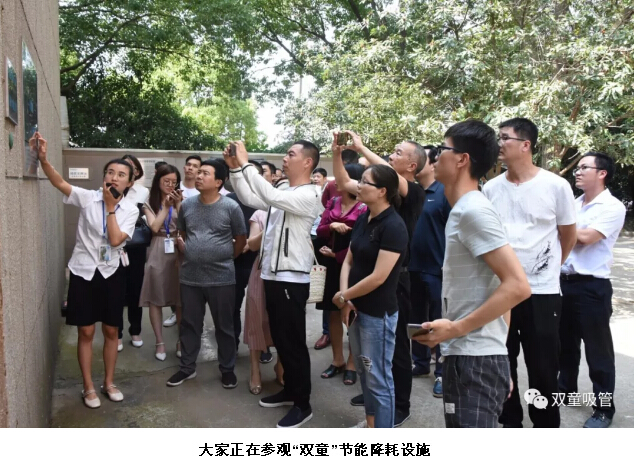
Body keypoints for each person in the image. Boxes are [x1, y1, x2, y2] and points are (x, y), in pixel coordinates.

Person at [414, 119, 531, 428]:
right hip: (473, 357)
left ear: (462, 159)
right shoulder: (464, 210)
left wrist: (456, 329)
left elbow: (518, 286)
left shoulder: (473, 211)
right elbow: (501, 286)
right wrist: (499, 356)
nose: (435, 156)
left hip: (474, 360)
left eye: (441, 149)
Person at [483, 118, 577, 428]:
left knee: (544, 368)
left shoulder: (556, 185)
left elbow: (568, 235)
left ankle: (546, 428)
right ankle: (510, 423)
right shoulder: (491, 188)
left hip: (542, 293)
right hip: (502, 291)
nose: (499, 143)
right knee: (502, 361)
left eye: (505, 138)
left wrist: (549, 268)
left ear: (526, 145)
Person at [34, 132, 138, 408]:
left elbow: (114, 240)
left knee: (112, 331)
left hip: (112, 272)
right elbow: (59, 182)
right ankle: (88, 387)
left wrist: (111, 208)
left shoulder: (130, 210)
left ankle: (109, 383)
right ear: (103, 176)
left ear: (130, 182)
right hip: (83, 272)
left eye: (121, 175)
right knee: (86, 332)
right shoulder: (87, 198)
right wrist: (43, 160)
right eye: (110, 172)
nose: (114, 177)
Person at [334, 130, 426, 427]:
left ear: (412, 165)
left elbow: (378, 276)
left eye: (398, 152)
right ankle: (375, 413)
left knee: (392, 354)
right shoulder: (367, 214)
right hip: (363, 292)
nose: (390, 155)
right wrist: (337, 153)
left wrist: (361, 147)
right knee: (369, 364)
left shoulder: (412, 194)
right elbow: (344, 183)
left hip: (392, 284)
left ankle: (398, 407)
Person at [227, 140, 322, 428]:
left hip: (291, 278)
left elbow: (267, 193)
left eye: (291, 154)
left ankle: (303, 404)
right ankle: (291, 390)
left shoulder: (310, 193)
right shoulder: (283, 190)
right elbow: (251, 197)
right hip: (271, 275)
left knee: (293, 343)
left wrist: (246, 163)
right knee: (281, 339)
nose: (285, 158)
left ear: (307, 162)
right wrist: (235, 170)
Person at [166, 160, 247, 389]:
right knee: (189, 324)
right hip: (190, 276)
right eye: (198, 172)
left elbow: (240, 239)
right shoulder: (187, 205)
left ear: (219, 181)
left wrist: (225, 258)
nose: (199, 176)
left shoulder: (231, 207)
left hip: (221, 277)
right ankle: (187, 367)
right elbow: (182, 232)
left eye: (205, 173)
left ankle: (227, 369)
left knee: (224, 326)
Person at [559, 152, 626, 428]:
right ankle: (566, 391)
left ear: (602, 173)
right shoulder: (574, 204)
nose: (577, 171)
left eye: (584, 167)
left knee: (598, 352)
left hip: (592, 287)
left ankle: (604, 409)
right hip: (563, 283)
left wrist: (558, 227)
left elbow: (586, 237)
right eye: (577, 167)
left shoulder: (612, 207)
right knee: (565, 346)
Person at [316, 163, 367, 385]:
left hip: (353, 265)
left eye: (341, 176)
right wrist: (332, 226)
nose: (336, 181)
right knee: (333, 312)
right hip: (331, 263)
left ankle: (352, 363)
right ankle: (337, 360)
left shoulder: (364, 207)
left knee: (351, 313)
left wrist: (337, 255)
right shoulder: (334, 202)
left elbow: (362, 241)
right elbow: (320, 229)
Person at [408, 145, 451, 398]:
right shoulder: (412, 192)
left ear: (433, 163)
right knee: (417, 319)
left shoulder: (444, 192)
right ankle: (421, 362)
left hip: (437, 269)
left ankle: (442, 373)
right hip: (413, 267)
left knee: (438, 319)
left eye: (422, 157)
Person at [139, 165, 183, 360]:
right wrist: (165, 207)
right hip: (158, 246)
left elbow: (186, 226)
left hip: (178, 247)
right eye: (167, 181)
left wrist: (179, 204)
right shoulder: (150, 202)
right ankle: (160, 342)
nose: (170, 185)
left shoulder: (183, 200)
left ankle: (181, 340)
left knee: (180, 298)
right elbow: (155, 227)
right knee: (155, 297)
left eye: (174, 182)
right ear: (158, 181)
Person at [227, 160, 265, 352]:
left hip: (261, 261)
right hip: (236, 260)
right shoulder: (228, 200)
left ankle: (263, 346)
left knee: (260, 306)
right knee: (232, 305)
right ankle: (231, 345)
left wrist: (248, 244)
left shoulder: (267, 201)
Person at [163, 155, 202, 328]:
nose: (190, 168)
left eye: (195, 166)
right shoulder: (174, 188)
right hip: (171, 240)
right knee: (174, 281)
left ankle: (195, 316)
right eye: (188, 164)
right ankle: (175, 312)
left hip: (194, 241)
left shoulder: (202, 191)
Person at [118, 154, 150, 352]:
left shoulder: (143, 192)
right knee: (116, 290)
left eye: (133, 167)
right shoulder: (109, 189)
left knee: (135, 289)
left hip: (135, 247)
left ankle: (135, 330)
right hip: (114, 246)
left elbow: (147, 217)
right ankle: (117, 333)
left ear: (137, 172)